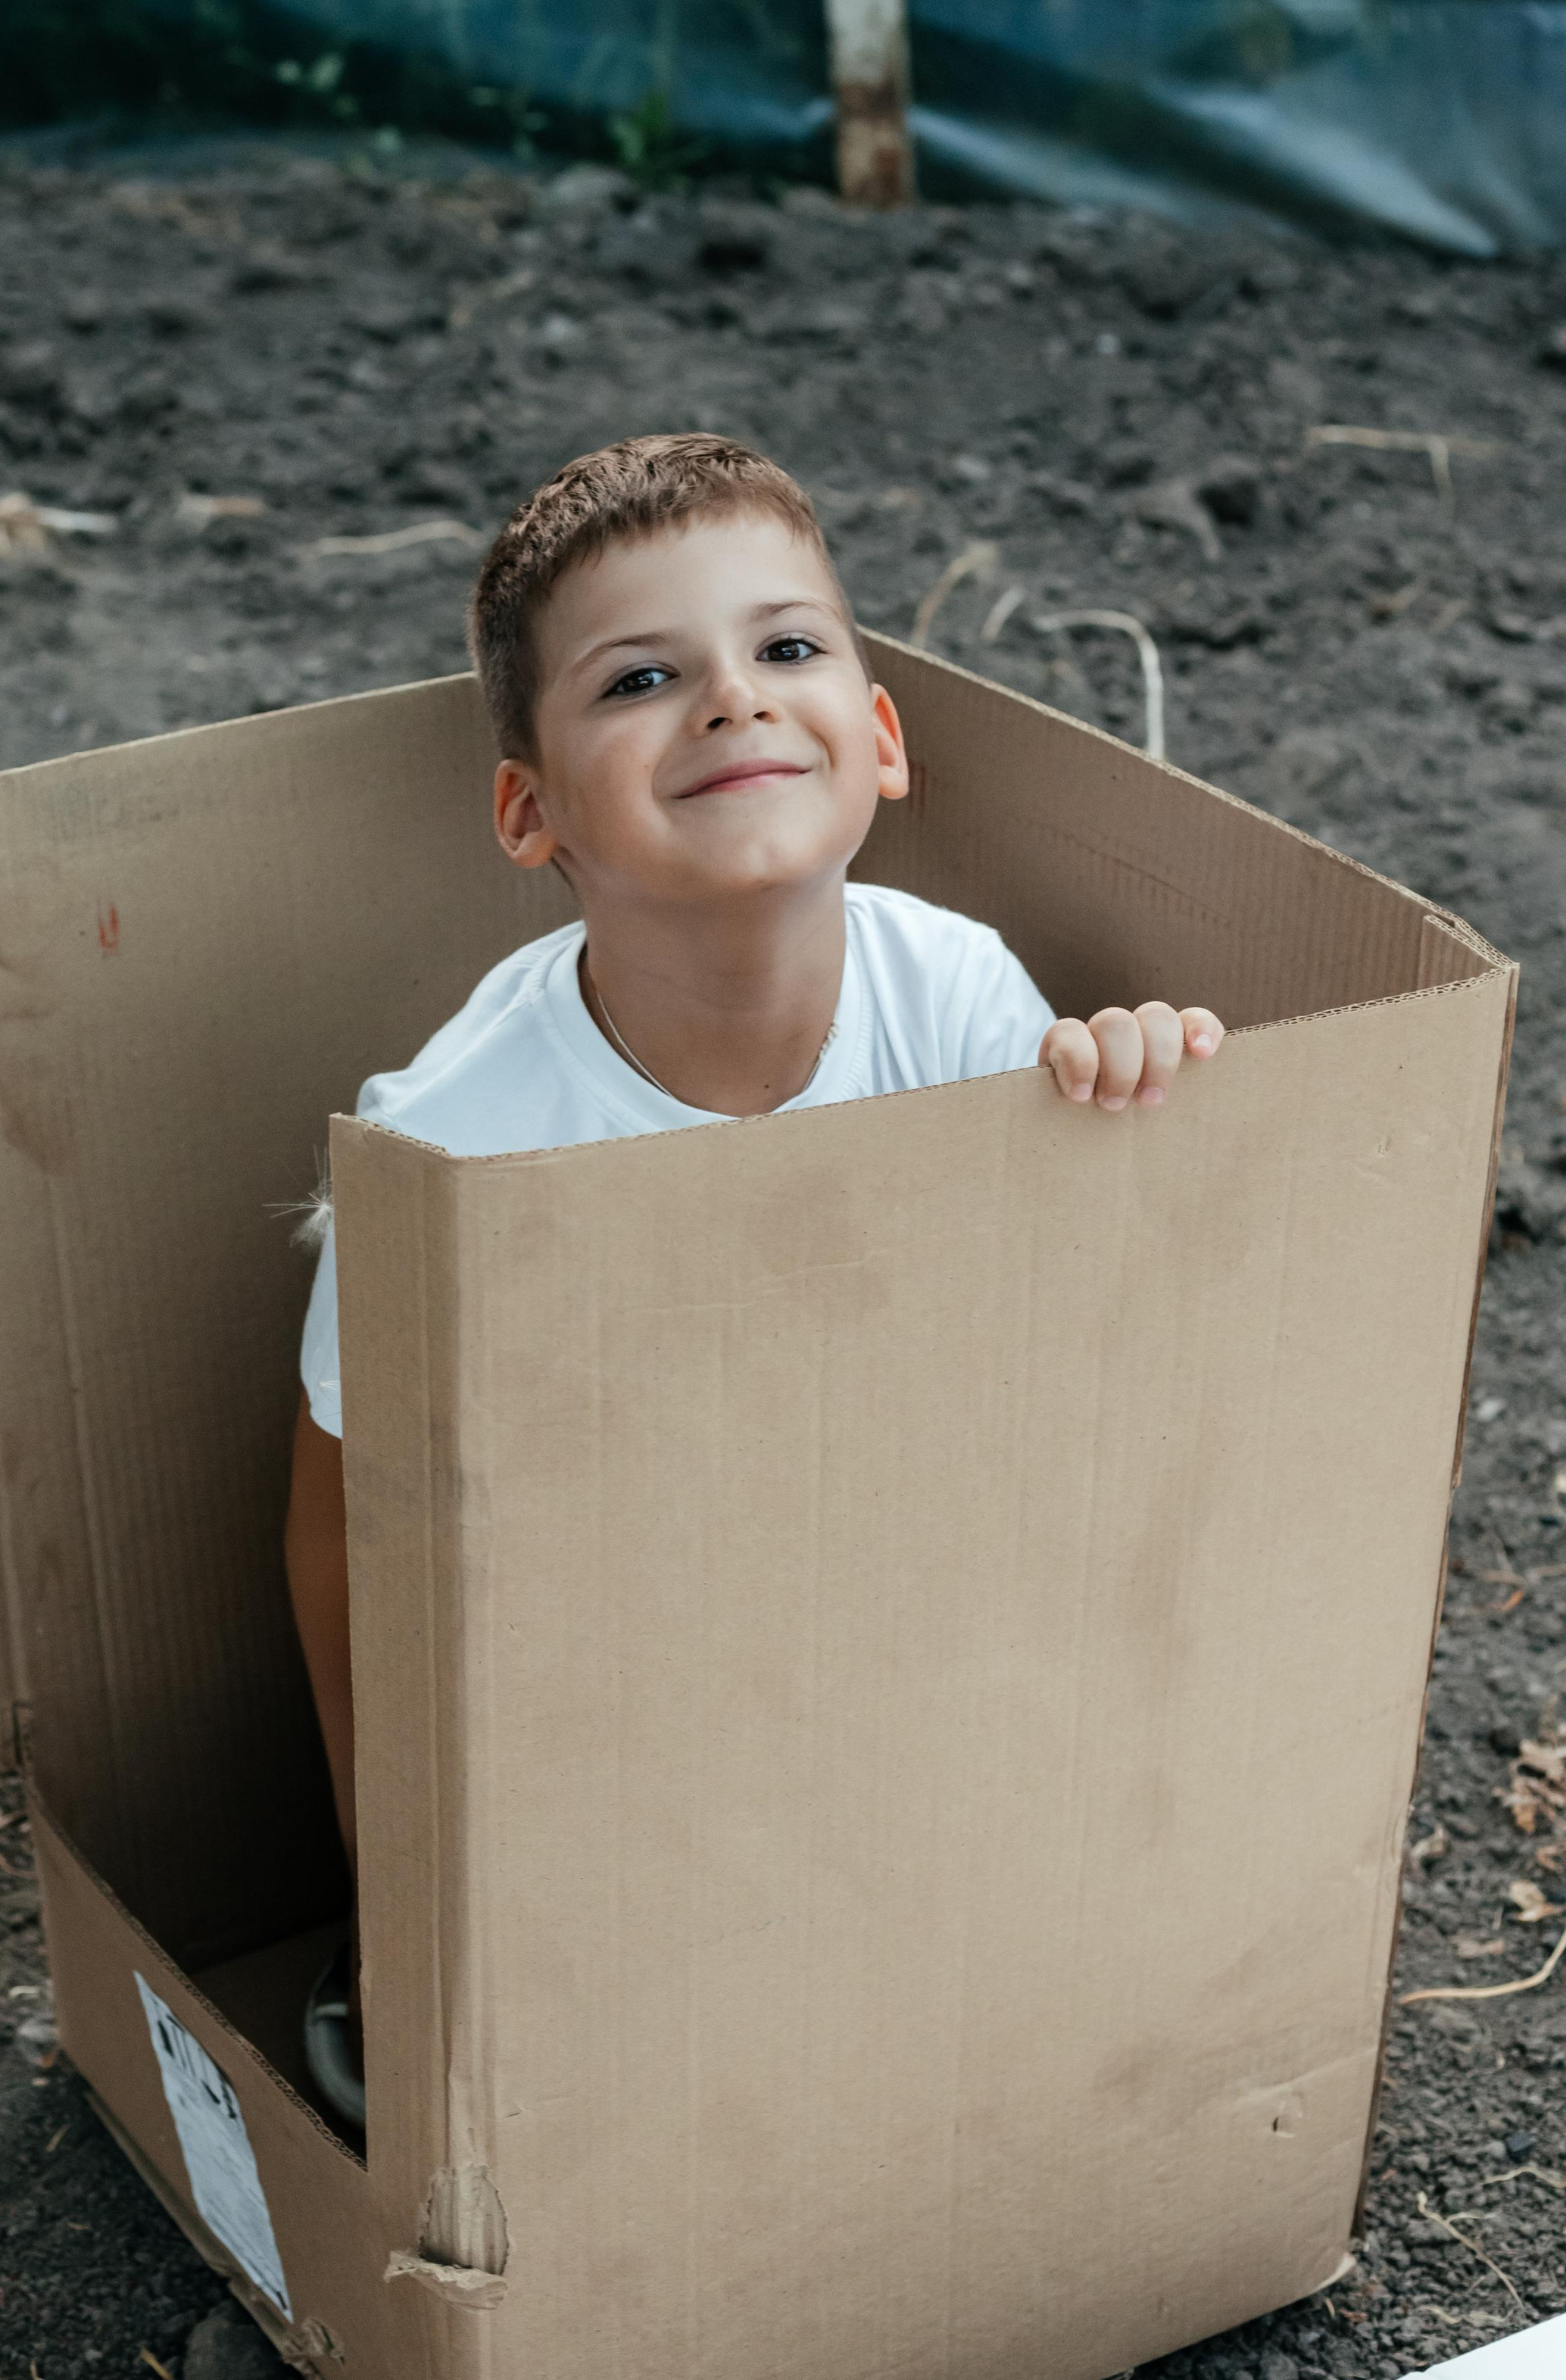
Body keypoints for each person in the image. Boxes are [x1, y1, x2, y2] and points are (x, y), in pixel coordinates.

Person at [284, 433, 1224, 2127]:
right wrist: (392, 1891)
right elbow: (343, 1539)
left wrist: (1127, 1105)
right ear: (528, 812)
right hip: (604, 1683)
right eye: (640, 678)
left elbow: (1062, 1384)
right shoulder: (450, 1148)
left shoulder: (956, 999)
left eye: (785, 646)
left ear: (882, 736)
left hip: (869, 1625)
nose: (732, 698)